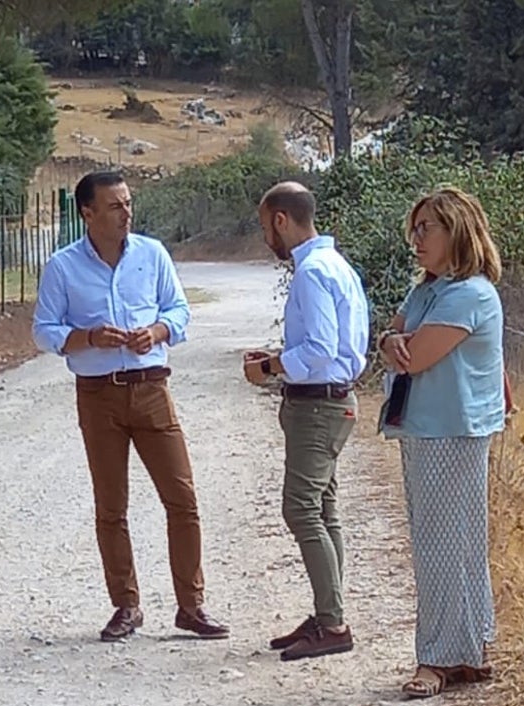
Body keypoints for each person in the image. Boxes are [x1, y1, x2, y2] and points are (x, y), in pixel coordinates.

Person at [32, 170, 229, 643]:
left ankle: (192, 605)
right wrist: (87, 338)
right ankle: (126, 605)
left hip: (151, 386)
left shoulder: (152, 254)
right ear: (88, 212)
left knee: (181, 498)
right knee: (111, 505)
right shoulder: (63, 266)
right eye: (115, 205)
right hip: (98, 393)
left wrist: (158, 332)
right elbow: (44, 330)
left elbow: (179, 311)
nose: (126, 212)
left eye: (128, 203)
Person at [375, 186, 504, 698]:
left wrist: (394, 345)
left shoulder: (467, 294)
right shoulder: (429, 290)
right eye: (416, 228)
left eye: (428, 227)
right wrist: (390, 341)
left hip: (450, 431)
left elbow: (414, 355)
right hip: (431, 429)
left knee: (442, 546)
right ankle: (469, 648)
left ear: (457, 232)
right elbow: (393, 336)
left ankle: (438, 658)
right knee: (457, 542)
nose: (417, 238)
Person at [242, 181, 369, 662]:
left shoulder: (312, 272)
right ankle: (326, 612)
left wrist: (272, 366)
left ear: (280, 220)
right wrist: (278, 361)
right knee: (323, 508)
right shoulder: (336, 266)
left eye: (264, 227)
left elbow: (318, 350)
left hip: (318, 404)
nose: (265, 239)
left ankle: (333, 622)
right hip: (334, 400)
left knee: (301, 510)